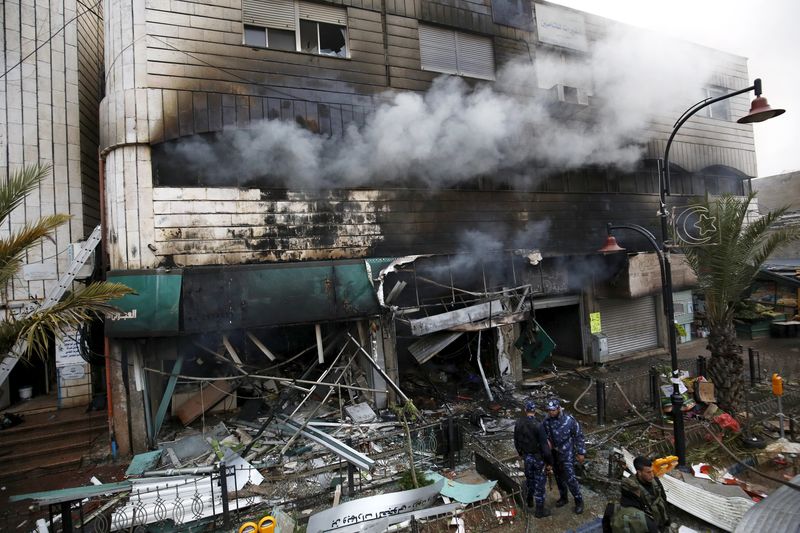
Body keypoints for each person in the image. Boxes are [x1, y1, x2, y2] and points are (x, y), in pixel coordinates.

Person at [542, 397, 585, 514]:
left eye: (553, 410)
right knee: (558, 477)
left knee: (570, 478)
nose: (551, 412)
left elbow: (579, 436)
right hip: (554, 454)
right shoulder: (546, 421)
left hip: (566, 453)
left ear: (558, 408)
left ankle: (579, 501)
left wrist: (581, 452)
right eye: (549, 410)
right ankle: (564, 498)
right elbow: (543, 437)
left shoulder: (569, 420)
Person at [513, 399, 553, 518]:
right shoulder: (538, 425)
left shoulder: (519, 423)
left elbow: (516, 441)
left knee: (529, 479)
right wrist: (549, 462)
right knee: (540, 484)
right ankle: (539, 511)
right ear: (534, 411)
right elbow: (545, 447)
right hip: (538, 458)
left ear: (525, 410)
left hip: (527, 457)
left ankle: (529, 500)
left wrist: (521, 453)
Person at [613, 456, 670, 533]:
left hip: (662, 522)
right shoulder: (632, 488)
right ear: (639, 472)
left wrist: (667, 521)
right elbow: (633, 514)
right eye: (648, 472)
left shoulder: (655, 481)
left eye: (652, 471)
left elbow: (663, 498)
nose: (652, 475)